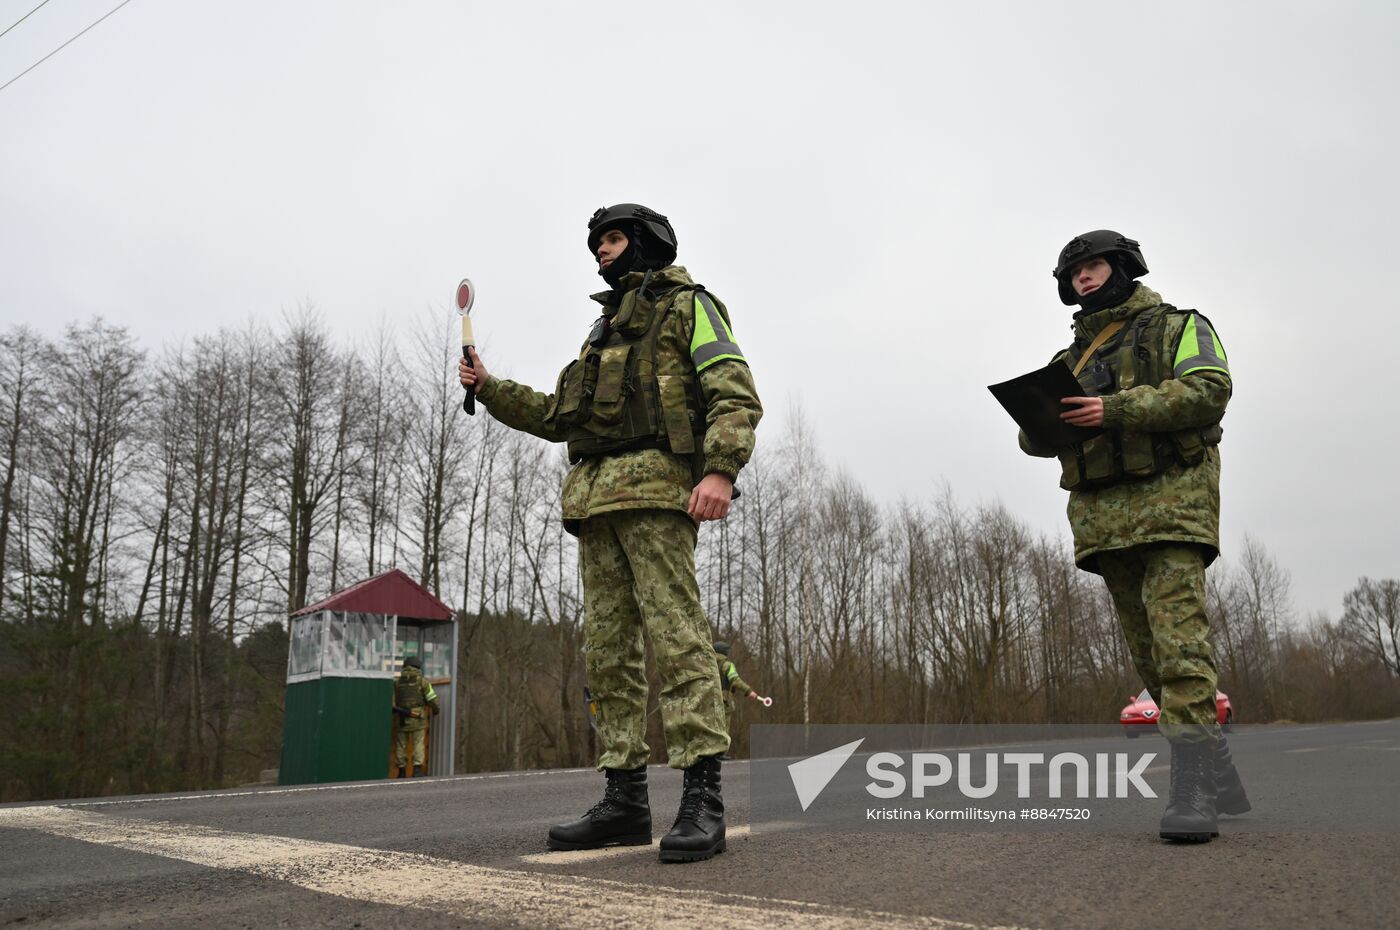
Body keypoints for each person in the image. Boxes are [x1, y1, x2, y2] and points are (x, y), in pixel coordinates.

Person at [459, 203, 762, 863]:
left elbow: (734, 391)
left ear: (646, 243)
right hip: (594, 505)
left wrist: (720, 469)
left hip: (658, 494)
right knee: (607, 655)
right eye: (596, 242)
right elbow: (559, 414)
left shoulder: (690, 306)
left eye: (614, 238)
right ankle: (624, 798)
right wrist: (488, 387)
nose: (601, 250)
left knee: (680, 642)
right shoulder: (601, 334)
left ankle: (702, 797)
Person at [1019, 229, 1248, 843]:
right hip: (1104, 520)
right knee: (1148, 657)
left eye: (1092, 267)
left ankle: (1194, 785)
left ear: (1122, 267)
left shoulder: (1181, 326)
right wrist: (1039, 419)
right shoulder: (1071, 359)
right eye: (1074, 274)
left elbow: (1210, 390)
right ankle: (1214, 759)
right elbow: (1035, 440)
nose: (1083, 280)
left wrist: (1113, 410)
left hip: (1172, 510)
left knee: (1179, 647)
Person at [393, 656, 439, 778]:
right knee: (418, 743)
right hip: (417, 717)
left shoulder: (396, 682)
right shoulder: (422, 681)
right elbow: (432, 699)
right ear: (418, 667)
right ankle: (417, 770)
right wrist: (436, 710)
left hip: (400, 717)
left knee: (401, 744)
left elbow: (392, 702)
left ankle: (401, 772)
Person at [713, 641, 759, 738]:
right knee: (723, 733)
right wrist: (749, 691)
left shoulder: (707, 665)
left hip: (707, 704)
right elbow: (735, 680)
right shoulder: (728, 665)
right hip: (723, 704)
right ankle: (722, 752)